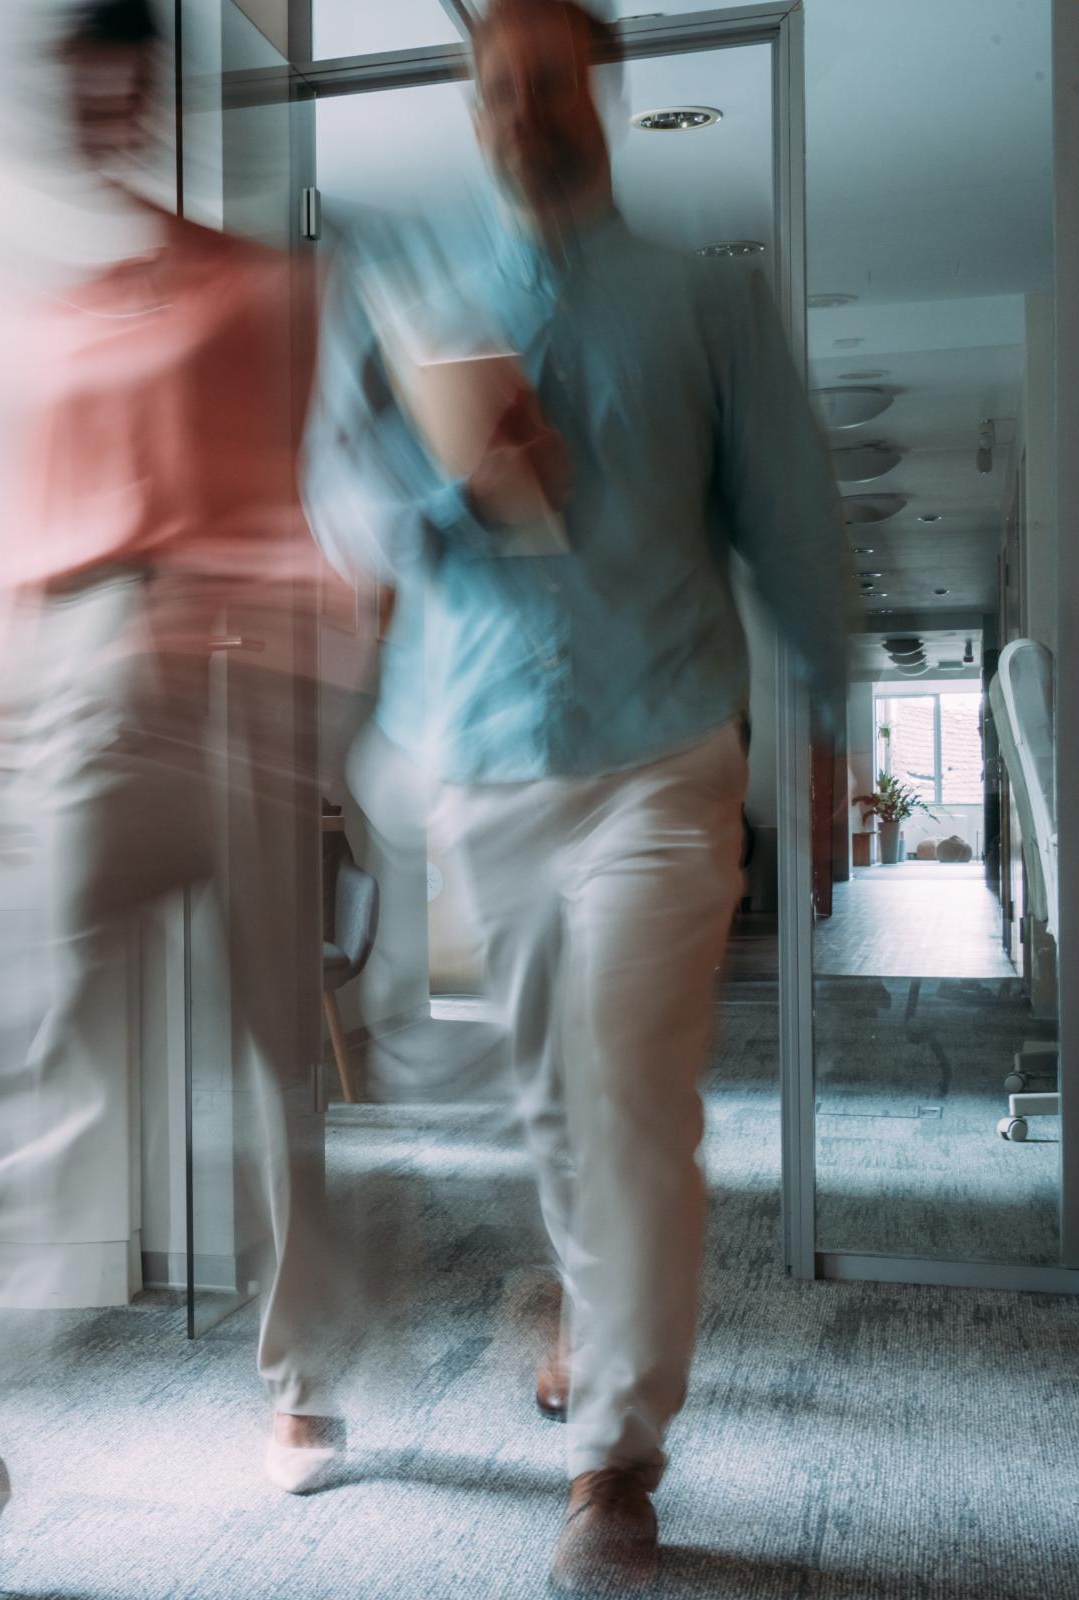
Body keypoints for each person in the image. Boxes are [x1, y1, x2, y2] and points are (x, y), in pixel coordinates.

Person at [307, 1, 851, 1591]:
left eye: (550, 81)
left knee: (624, 1089)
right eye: (497, 86)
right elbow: (337, 506)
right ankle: (595, 1322)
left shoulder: (705, 301)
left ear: (604, 88)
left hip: (665, 761)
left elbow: (797, 522)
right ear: (474, 104)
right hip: (479, 762)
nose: (523, 109)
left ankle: (616, 1458)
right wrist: (444, 490)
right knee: (559, 1105)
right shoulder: (404, 295)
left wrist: (824, 715)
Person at [0, 2, 353, 1591]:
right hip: (102, 690)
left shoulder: (256, 288)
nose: (101, 109)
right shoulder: (28, 315)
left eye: (123, 85)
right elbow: (24, 545)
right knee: (58, 1059)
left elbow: (285, 504)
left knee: (285, 1061)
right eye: (79, 85)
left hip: (253, 695)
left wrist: (330, 691)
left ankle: (299, 1380)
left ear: (149, 96)